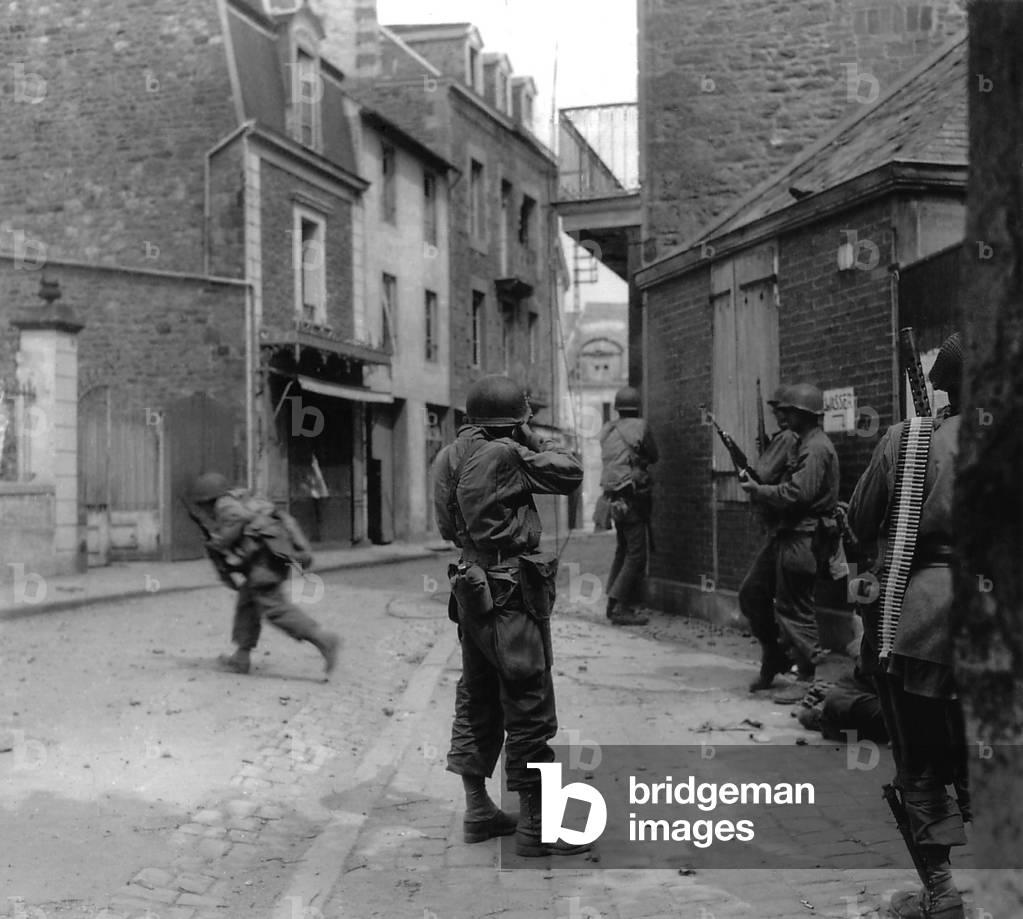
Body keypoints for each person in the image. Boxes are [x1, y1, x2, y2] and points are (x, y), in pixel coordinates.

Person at [433, 375, 589, 857]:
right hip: (510, 592)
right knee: (528, 702)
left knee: (477, 694)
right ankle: (538, 826)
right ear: (513, 420)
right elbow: (572, 473)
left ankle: (478, 809)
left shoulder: (448, 456)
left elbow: (445, 526)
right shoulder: (509, 453)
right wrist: (532, 436)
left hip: (472, 588)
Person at [846, 333, 969, 919]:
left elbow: (862, 519)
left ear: (943, 384)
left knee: (919, 760)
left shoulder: (908, 439)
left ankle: (942, 894)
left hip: (917, 616)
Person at [188, 472, 340, 678]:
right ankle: (241, 657)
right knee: (247, 603)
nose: (203, 509)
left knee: (274, 606)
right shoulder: (237, 500)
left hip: (264, 562)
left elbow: (234, 523)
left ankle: (322, 639)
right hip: (265, 558)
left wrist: (218, 542)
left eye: (203, 503)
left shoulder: (225, 506)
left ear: (209, 499)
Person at [739, 383, 839, 690]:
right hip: (786, 534)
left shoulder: (816, 448)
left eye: (789, 412)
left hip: (803, 537)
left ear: (803, 415)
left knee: (795, 610)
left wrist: (760, 491)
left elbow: (799, 493)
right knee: (753, 593)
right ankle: (775, 655)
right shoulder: (801, 443)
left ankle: (816, 680)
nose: (783, 416)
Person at [599, 385, 659, 626]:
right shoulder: (641, 427)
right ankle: (620, 605)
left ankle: (612, 604)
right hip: (633, 497)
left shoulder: (607, 428)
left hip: (613, 497)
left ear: (618, 408)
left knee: (622, 549)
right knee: (636, 555)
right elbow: (654, 455)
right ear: (637, 407)